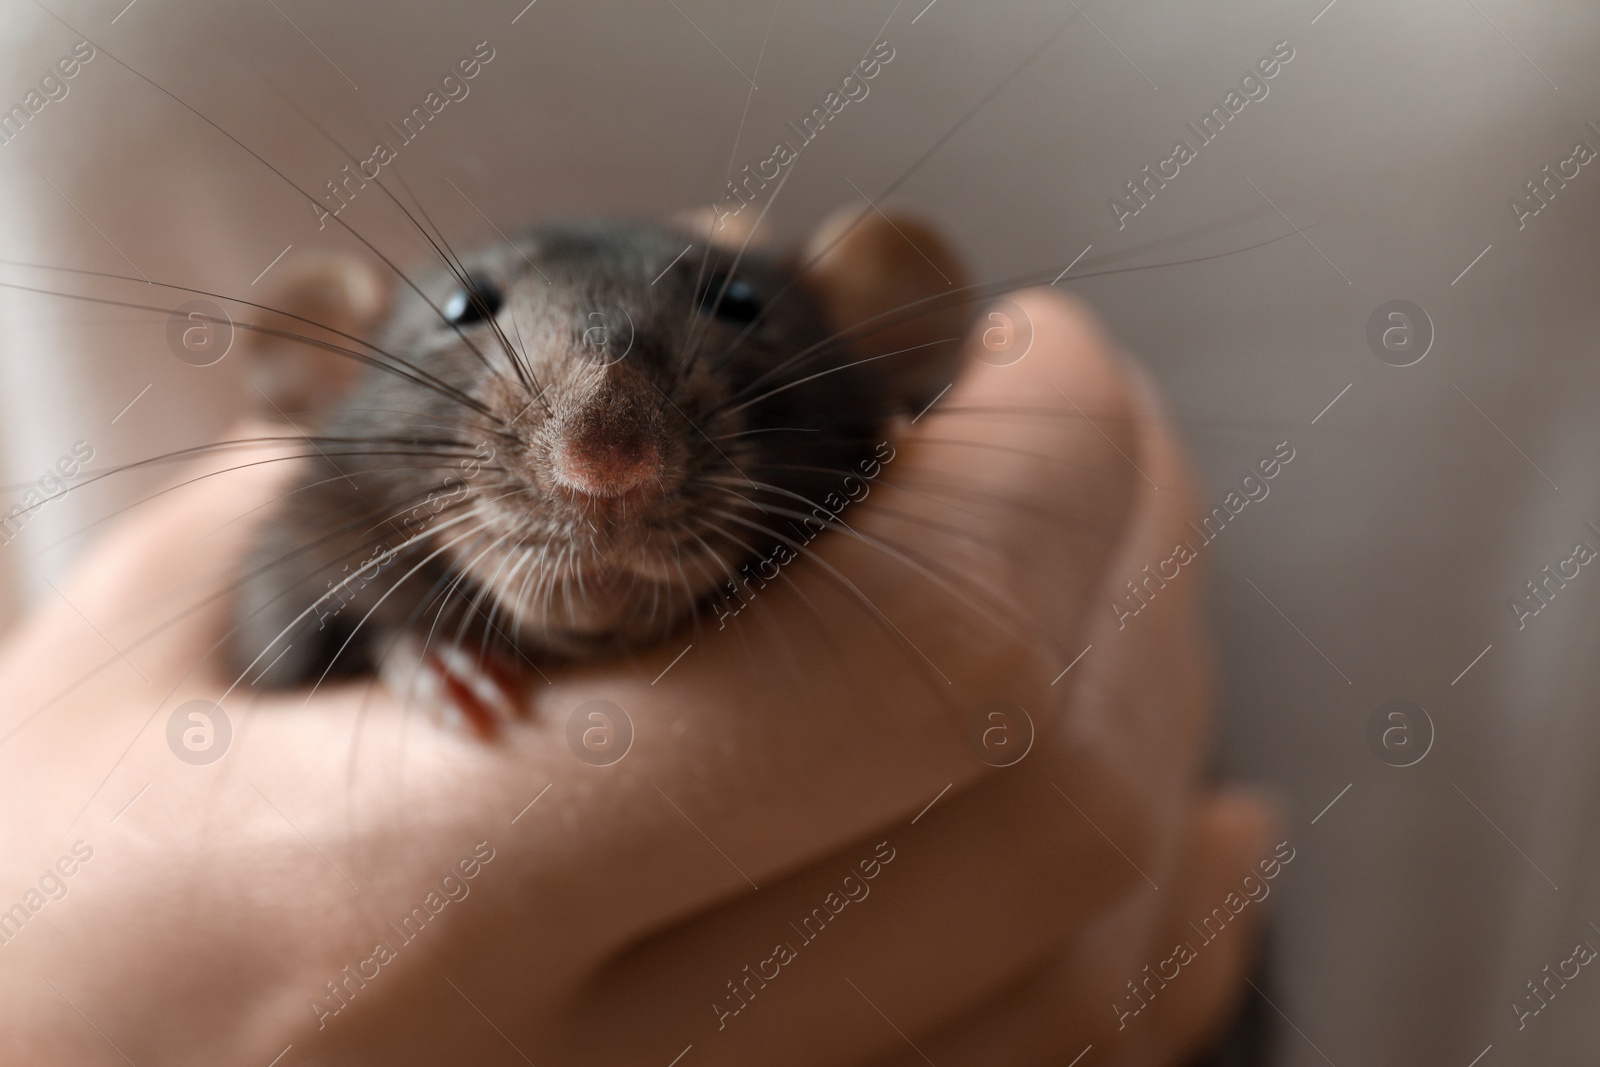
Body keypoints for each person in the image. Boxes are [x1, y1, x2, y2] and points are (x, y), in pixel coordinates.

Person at [0, 289, 1276, 1065]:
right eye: (465, 316)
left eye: (729, 309)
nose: (599, 451)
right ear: (318, 364)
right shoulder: (338, 530)